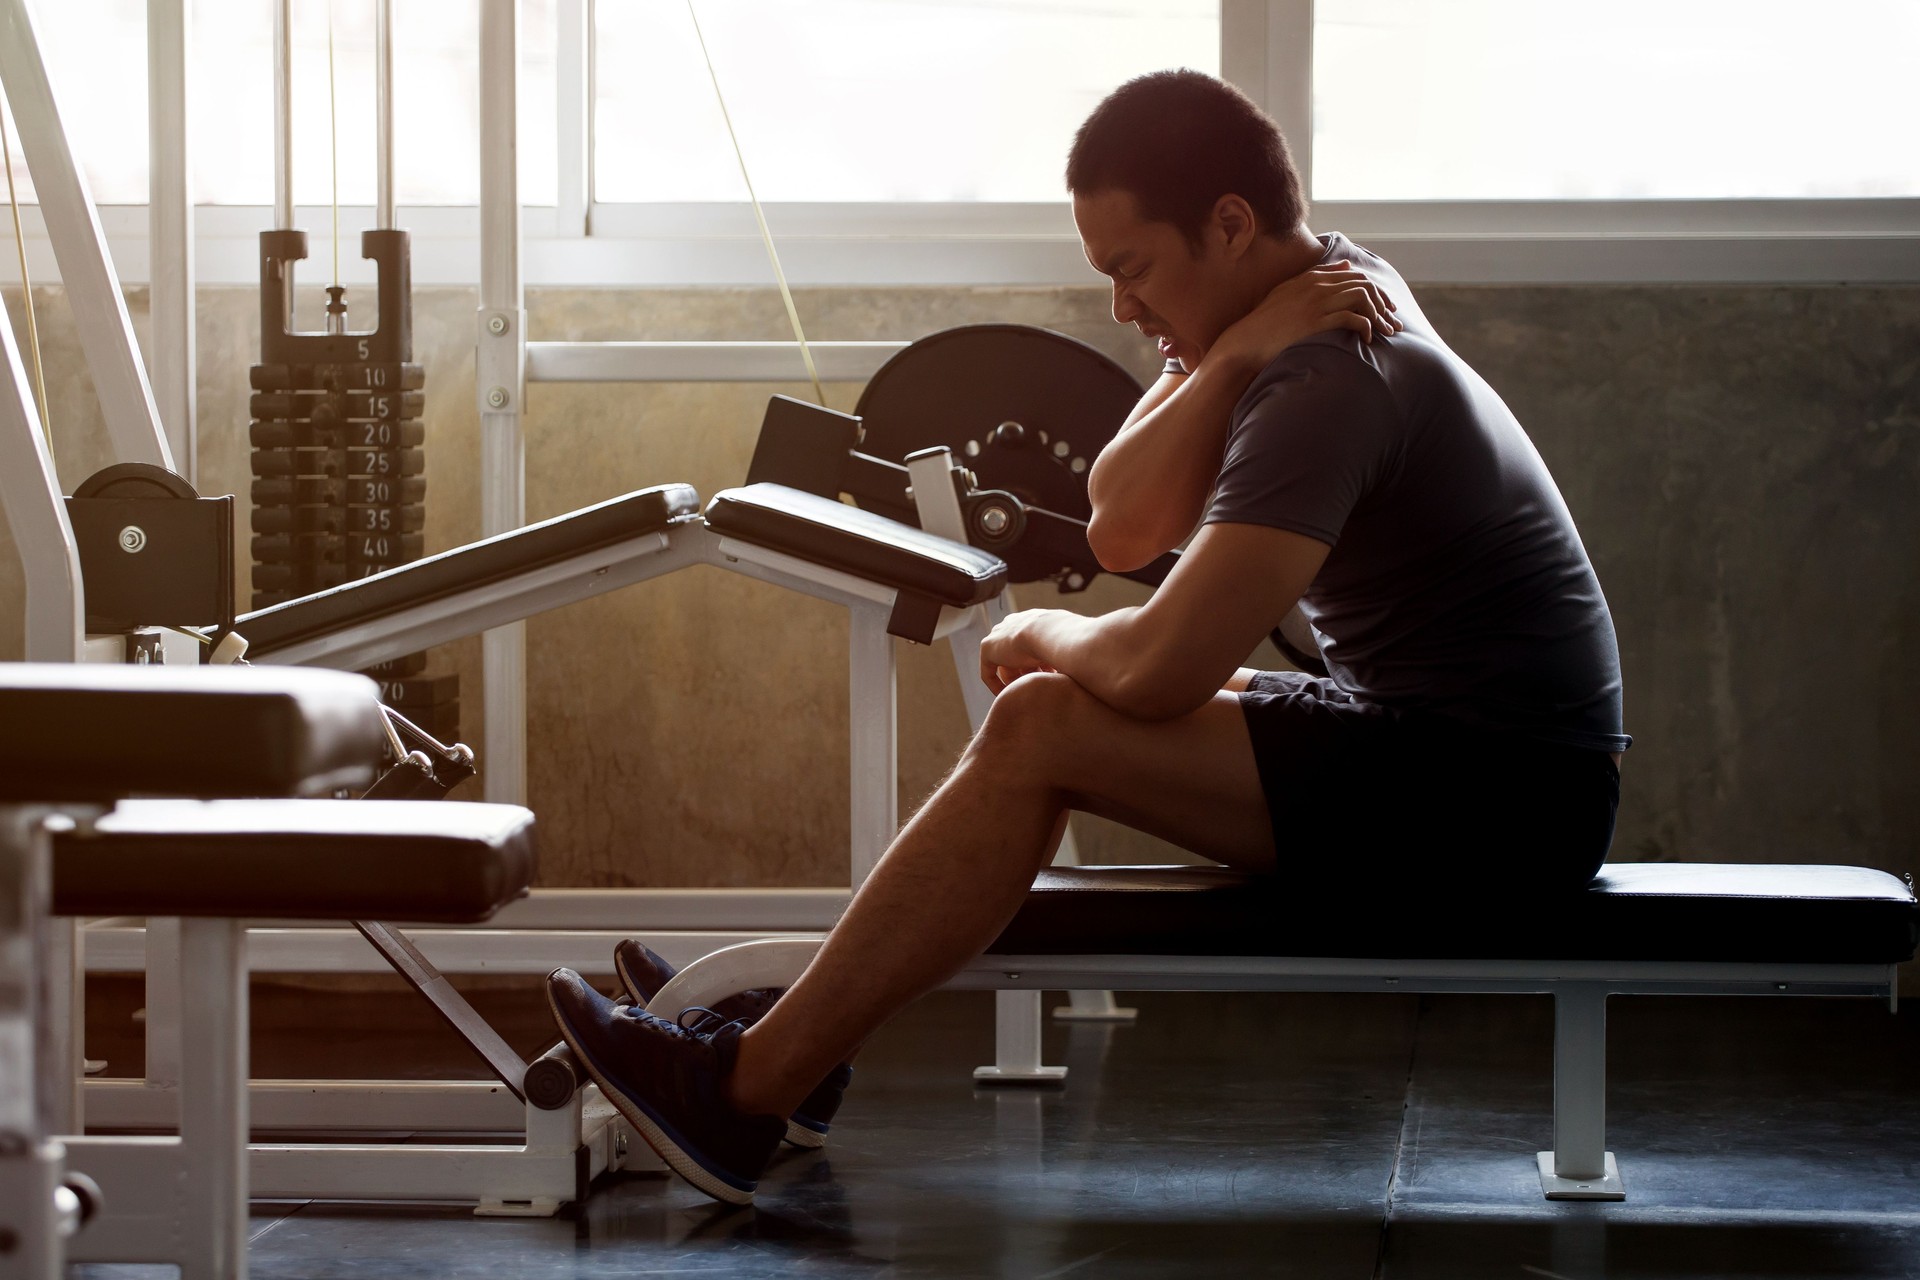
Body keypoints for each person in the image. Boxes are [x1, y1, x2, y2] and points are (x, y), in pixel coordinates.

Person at [545, 68, 1630, 1206]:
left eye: (1134, 269)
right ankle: (798, 1048)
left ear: (1229, 223)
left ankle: (746, 1085)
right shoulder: (1311, 296)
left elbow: (1159, 667)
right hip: (1460, 753)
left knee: (1041, 720)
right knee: (1041, 714)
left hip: (1501, 796)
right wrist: (1231, 351)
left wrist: (1058, 627)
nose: (1121, 306)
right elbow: (1123, 520)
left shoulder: (1331, 374)